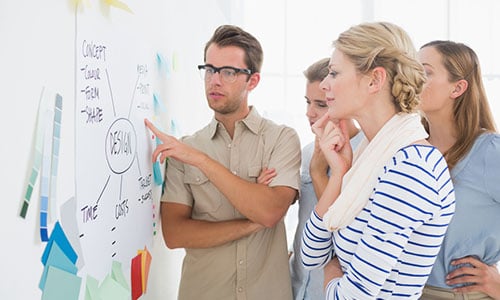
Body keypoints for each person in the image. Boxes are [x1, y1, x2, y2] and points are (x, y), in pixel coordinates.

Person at [300, 21, 456, 299]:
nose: (324, 85)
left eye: (334, 73)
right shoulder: (370, 156)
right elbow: (311, 255)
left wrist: (333, 269)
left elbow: (349, 296)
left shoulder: (411, 169)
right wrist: (338, 174)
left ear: (375, 79)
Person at [145, 25, 301, 300]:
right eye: (209, 70)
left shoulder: (281, 139)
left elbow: (269, 212)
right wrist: (251, 223)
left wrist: (202, 162)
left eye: (228, 72)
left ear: (252, 81)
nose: (214, 81)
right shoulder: (186, 148)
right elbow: (175, 233)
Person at [418, 40, 500, 299]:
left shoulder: (491, 152)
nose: (412, 79)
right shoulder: (409, 151)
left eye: (426, 72)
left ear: (458, 87)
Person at [288, 57, 363, 300]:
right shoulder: (309, 150)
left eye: (320, 104)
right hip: (298, 285)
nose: (309, 112)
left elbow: (342, 225)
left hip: (332, 288)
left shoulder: (366, 153)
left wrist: (319, 174)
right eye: (308, 102)